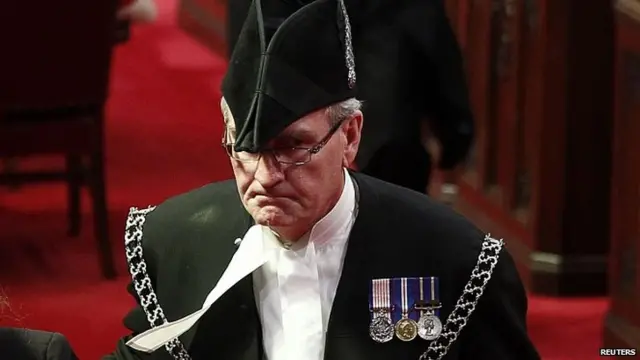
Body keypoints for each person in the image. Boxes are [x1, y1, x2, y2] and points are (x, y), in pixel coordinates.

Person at [106, 0, 539, 359]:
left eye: (293, 147)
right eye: (244, 148)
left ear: (349, 136)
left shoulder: (456, 261)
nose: (264, 176)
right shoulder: (174, 240)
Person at [227, 0, 474, 194]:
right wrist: (455, 139)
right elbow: (429, 38)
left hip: (294, 139)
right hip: (383, 148)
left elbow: (251, 32)